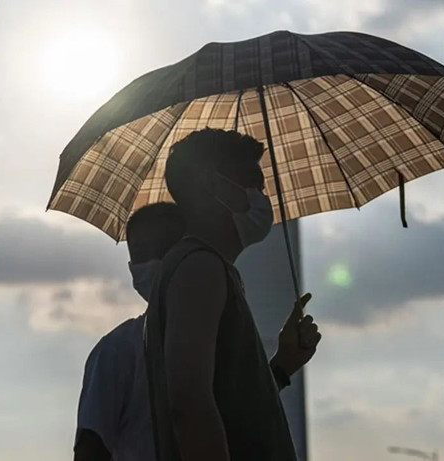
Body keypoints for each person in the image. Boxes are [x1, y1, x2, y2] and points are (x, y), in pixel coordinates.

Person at [74, 201, 321, 460]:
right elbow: (91, 450)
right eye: (140, 252)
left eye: (163, 247)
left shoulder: (220, 337)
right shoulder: (116, 351)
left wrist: (282, 365)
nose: (153, 260)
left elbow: (243, 413)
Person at [145, 128, 320, 461]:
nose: (261, 196)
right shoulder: (199, 268)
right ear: (215, 186)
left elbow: (231, 405)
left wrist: (282, 366)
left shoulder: (209, 269)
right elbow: (188, 403)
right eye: (253, 183)